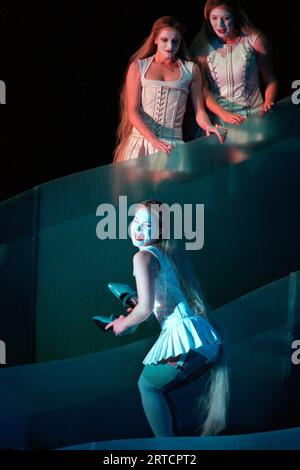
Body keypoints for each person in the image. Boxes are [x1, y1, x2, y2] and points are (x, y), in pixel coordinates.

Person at [105, 200, 229, 437]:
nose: (138, 230)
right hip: (204, 343)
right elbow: (151, 306)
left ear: (160, 231)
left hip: (187, 341)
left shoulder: (142, 257)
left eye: (147, 226)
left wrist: (124, 322)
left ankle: (167, 451)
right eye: (136, 222)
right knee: (156, 389)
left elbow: (145, 309)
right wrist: (130, 317)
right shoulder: (163, 254)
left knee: (147, 387)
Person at [113, 16, 226, 163]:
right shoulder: (138, 67)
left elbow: (200, 111)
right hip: (141, 141)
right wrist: (153, 140)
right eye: (164, 40)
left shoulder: (190, 69)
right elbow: (132, 112)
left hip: (172, 144)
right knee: (137, 186)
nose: (170, 46)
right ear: (155, 39)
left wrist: (208, 126)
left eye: (175, 41)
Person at [189, 0, 278, 125]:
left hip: (253, 116)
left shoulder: (254, 41)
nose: (220, 24)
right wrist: (223, 114)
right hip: (220, 121)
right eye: (214, 18)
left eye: (225, 18)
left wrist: (268, 102)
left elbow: (271, 80)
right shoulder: (203, 50)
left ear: (235, 17)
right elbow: (204, 91)